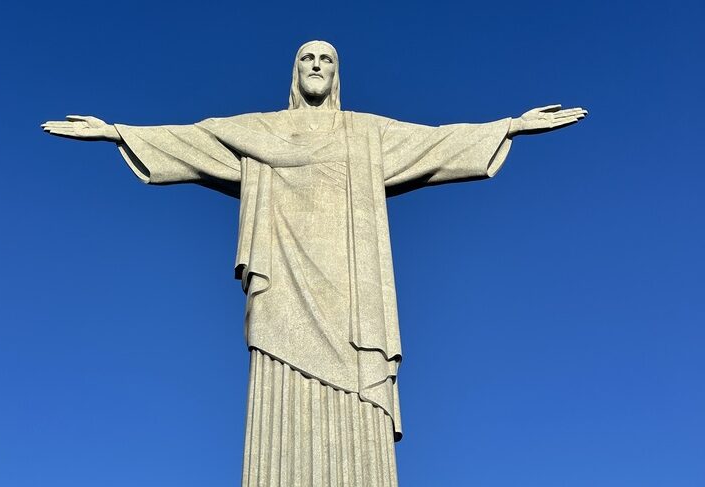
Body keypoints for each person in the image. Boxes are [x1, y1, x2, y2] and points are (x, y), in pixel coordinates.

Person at [43, 40, 587, 487]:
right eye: (307, 58)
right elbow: (195, 139)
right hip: (282, 289)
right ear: (294, 71)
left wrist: (509, 126)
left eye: (327, 59)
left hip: (353, 298)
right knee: (278, 401)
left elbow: (435, 143)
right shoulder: (257, 133)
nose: (317, 66)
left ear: (338, 74)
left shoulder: (365, 134)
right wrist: (117, 132)